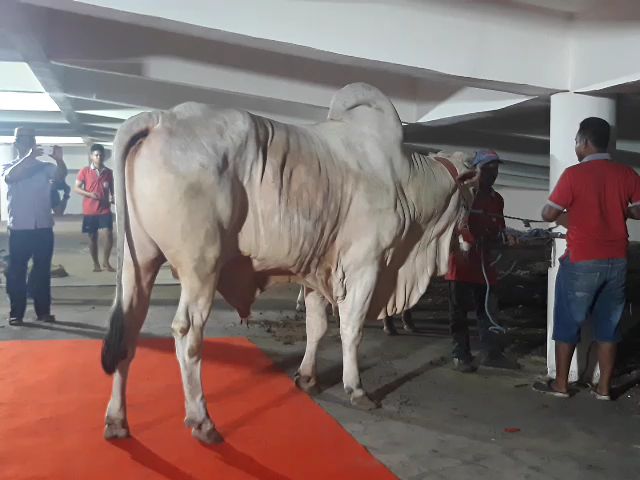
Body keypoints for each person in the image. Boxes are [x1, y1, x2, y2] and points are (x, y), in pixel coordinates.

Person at [534, 117, 640, 400]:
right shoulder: (627, 173)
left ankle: (561, 385)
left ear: (583, 141)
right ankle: (604, 389)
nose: (576, 149)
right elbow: (639, 211)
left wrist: (571, 215)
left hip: (582, 260)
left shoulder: (573, 174)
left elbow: (548, 214)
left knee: (568, 322)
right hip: (617, 260)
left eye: (576, 143)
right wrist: (619, 211)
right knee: (609, 327)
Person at [445, 150, 519, 372]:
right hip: (461, 264)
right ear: (475, 171)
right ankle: (461, 355)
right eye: (487, 169)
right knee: (458, 312)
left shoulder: (497, 200)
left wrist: (506, 238)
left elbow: (499, 229)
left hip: (485, 266)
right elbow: (455, 225)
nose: (493, 174)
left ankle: (491, 353)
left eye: (495, 169)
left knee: (488, 311)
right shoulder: (464, 195)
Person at [3, 127, 67, 325]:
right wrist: (26, 158)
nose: (28, 142)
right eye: (23, 139)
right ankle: (16, 313)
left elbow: (59, 176)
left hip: (43, 227)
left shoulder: (44, 167)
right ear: (16, 143)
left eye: (31, 139)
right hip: (19, 228)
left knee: (42, 271)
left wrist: (59, 160)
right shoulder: (9, 165)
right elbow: (10, 177)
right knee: (17, 273)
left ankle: (43, 312)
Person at [74, 144, 115, 272]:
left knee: (108, 235)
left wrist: (113, 198)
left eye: (101, 155)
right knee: (92, 237)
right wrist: (89, 194)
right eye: (96, 155)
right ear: (91, 156)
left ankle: (106, 262)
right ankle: (96, 264)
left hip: (104, 209)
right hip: (90, 210)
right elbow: (76, 188)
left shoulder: (109, 173)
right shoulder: (85, 171)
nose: (99, 157)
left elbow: (113, 191)